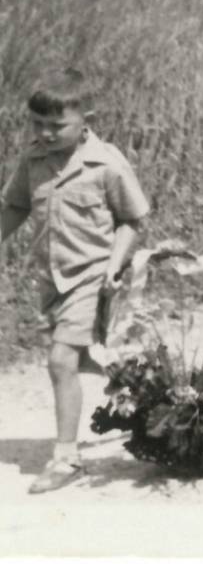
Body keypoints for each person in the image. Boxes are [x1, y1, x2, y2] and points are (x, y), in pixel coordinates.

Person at [1, 71, 150, 494]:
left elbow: (133, 219)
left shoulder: (106, 163)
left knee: (60, 360)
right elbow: (14, 207)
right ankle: (156, 401)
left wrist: (115, 264)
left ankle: (66, 457)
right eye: (37, 124)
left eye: (56, 125)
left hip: (93, 276)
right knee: (89, 360)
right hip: (54, 280)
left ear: (86, 119)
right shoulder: (32, 161)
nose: (45, 133)